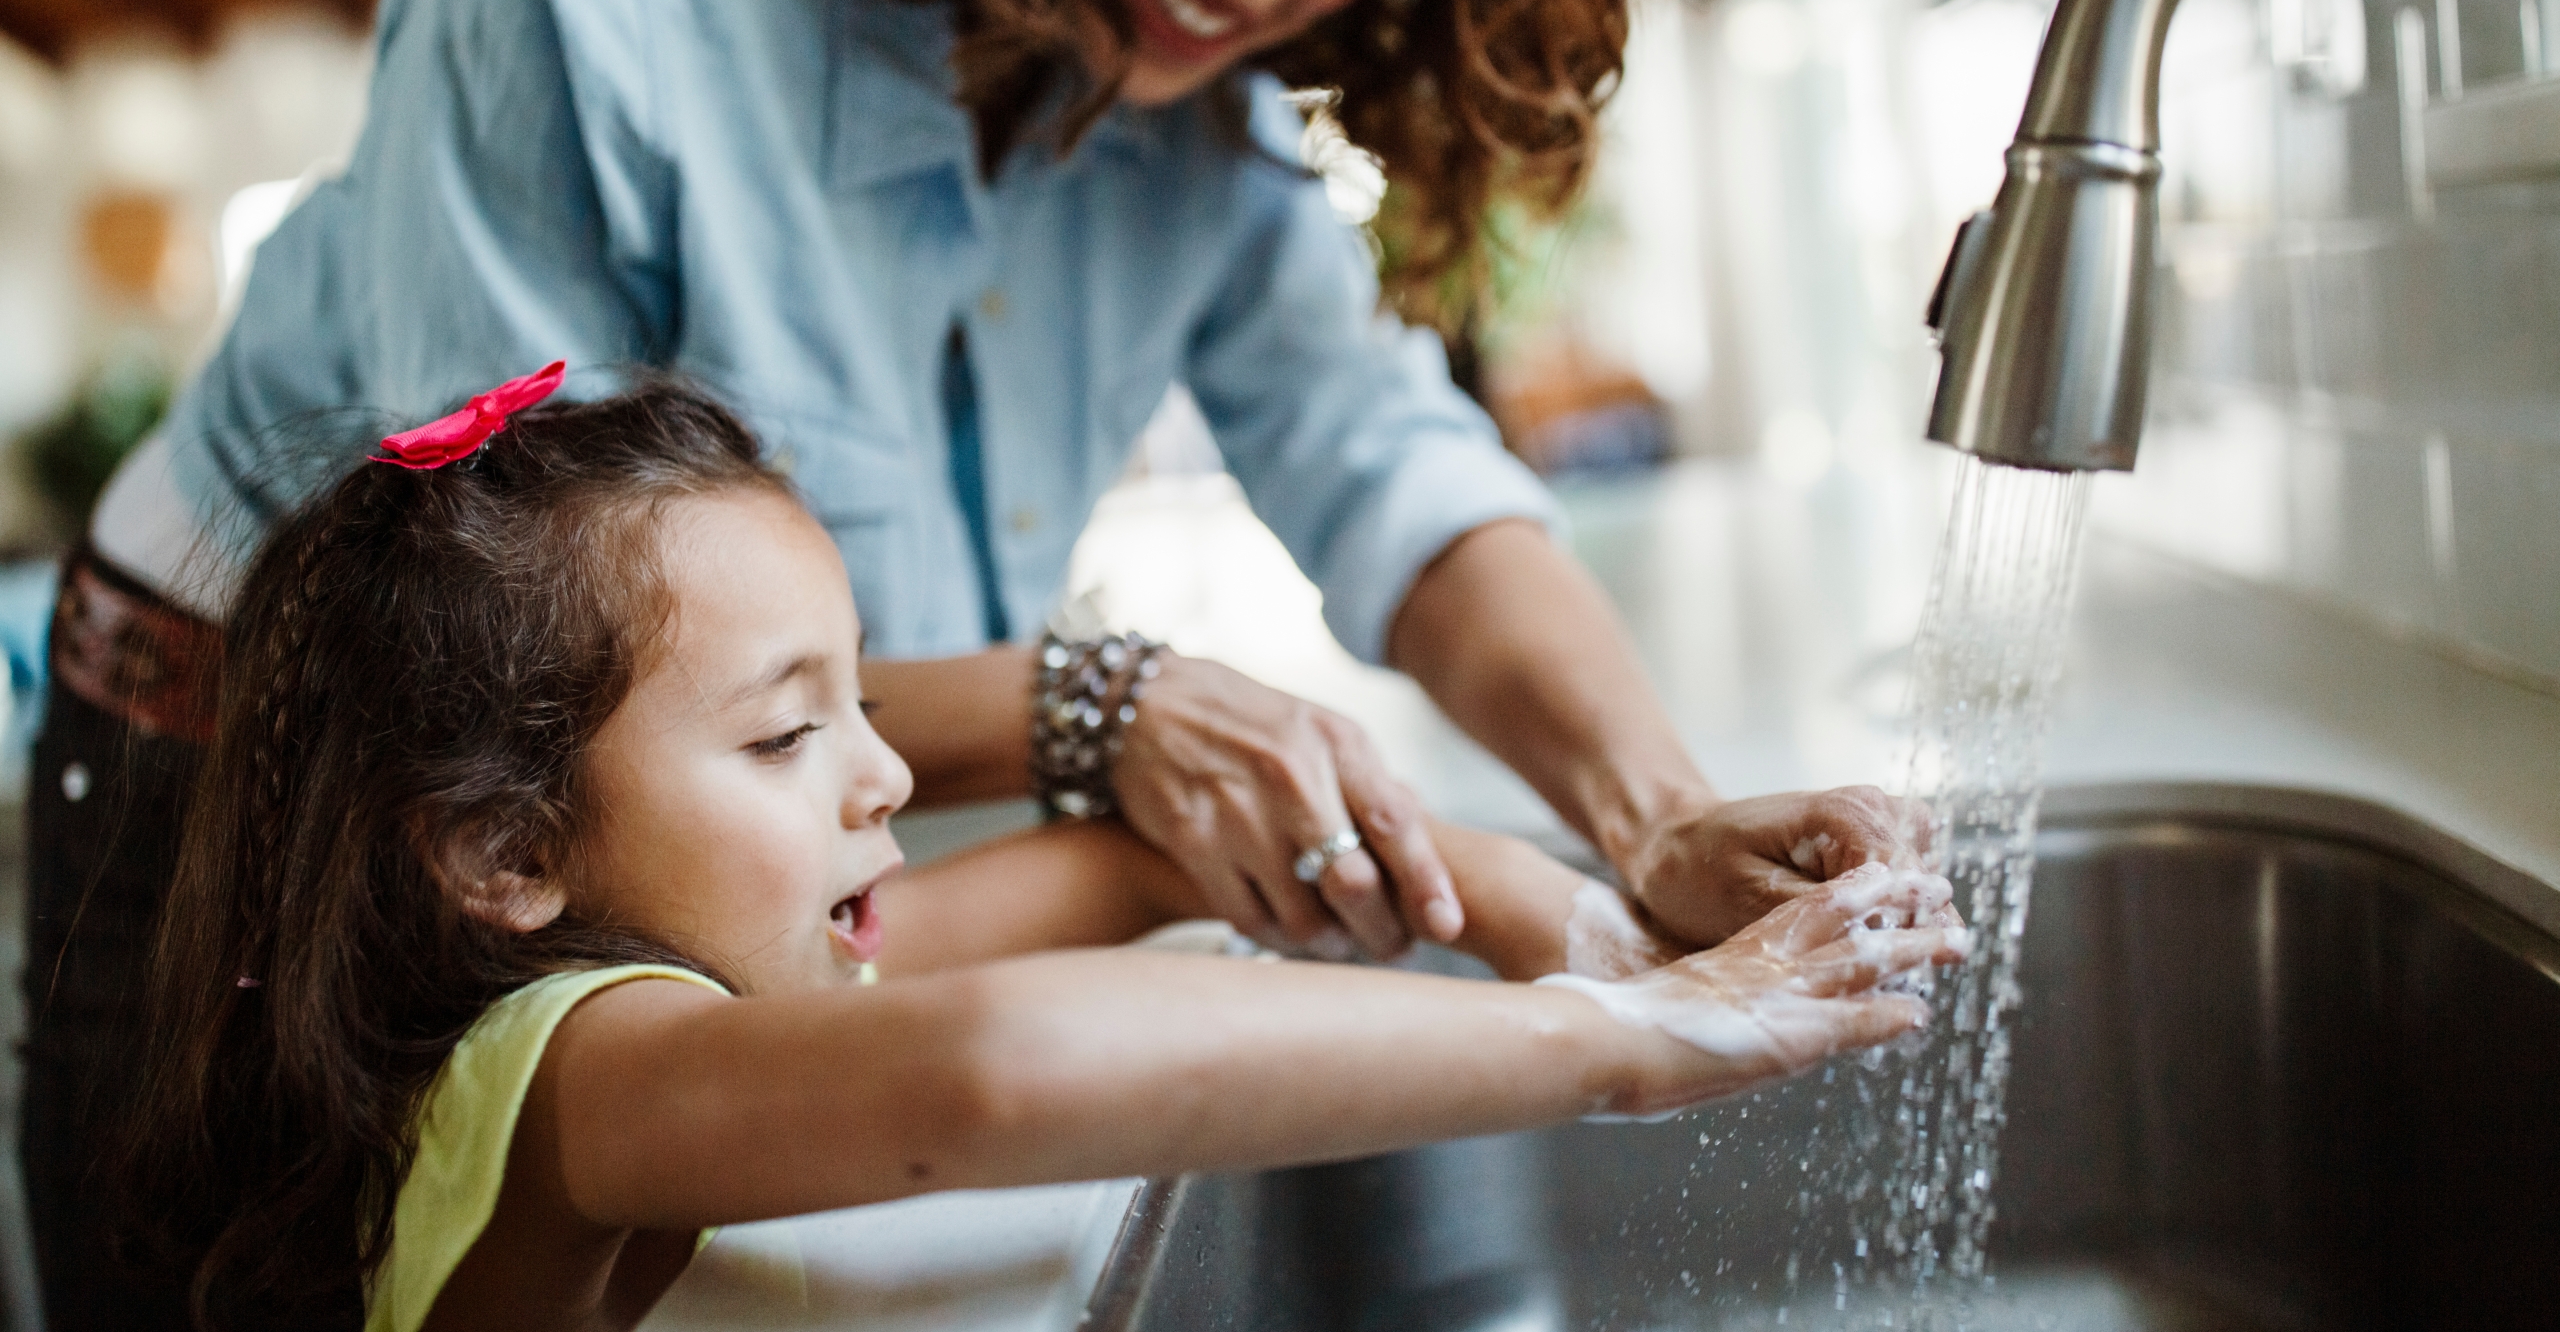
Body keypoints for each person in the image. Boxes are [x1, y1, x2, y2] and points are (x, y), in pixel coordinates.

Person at [32, 0, 1929, 1319]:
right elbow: (533, 665)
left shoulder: (1199, 114)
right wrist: (1101, 708)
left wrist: (1645, 826)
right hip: (259, 796)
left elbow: (1387, 469)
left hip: (651, 828)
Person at [114, 379, 1963, 1330]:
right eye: (784, 732)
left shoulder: (711, 984)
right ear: (506, 853)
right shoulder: (571, 1069)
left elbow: (1146, 865)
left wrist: (1582, 920)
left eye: (857, 697)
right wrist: (1630, 1046)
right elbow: (1003, 1068)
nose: (884, 770)